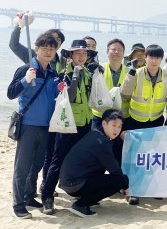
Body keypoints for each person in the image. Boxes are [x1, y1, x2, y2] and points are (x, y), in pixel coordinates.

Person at [7, 32, 60, 219]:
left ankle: (29, 197)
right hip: (28, 126)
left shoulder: (53, 73)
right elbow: (10, 93)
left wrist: (64, 89)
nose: (48, 51)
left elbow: (56, 98)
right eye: (44, 48)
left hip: (45, 127)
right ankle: (18, 204)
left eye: (52, 49)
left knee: (36, 166)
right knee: (22, 168)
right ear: (36, 49)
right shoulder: (26, 69)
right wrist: (25, 80)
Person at [41, 40, 97, 215]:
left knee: (85, 161)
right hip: (67, 126)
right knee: (57, 162)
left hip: (85, 125)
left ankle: (82, 195)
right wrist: (75, 76)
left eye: (84, 53)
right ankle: (47, 197)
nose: (81, 56)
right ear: (70, 56)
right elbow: (70, 97)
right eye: (77, 53)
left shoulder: (88, 73)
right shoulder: (63, 73)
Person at [120, 44, 167, 205]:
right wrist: (130, 73)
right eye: (151, 57)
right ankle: (133, 190)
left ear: (161, 59)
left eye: (157, 57)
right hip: (135, 121)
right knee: (135, 157)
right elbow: (124, 93)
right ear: (145, 58)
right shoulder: (137, 74)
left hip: (156, 121)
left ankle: (153, 188)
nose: (153, 60)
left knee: (153, 156)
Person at [58, 109, 129, 217]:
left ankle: (87, 198)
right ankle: (80, 205)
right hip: (75, 184)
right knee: (119, 181)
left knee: (109, 176)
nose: (117, 129)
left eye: (119, 126)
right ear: (104, 123)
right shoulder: (102, 143)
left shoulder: (96, 134)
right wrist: (125, 185)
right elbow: (114, 169)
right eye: (114, 125)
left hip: (69, 181)